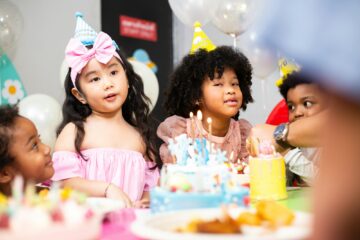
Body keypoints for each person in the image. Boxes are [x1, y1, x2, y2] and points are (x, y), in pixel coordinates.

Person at [52, 13, 161, 208]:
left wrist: (144, 202)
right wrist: (107, 188)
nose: (108, 84)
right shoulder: (75, 132)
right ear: (80, 95)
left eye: (113, 72)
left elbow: (150, 188)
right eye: (95, 79)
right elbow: (64, 182)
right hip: (90, 228)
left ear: (127, 79)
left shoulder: (141, 136)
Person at [157, 31, 254, 163]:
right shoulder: (182, 132)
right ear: (196, 95)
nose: (231, 90)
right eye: (219, 84)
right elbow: (176, 175)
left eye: (235, 84)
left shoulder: (242, 134)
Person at [278, 71, 327, 186]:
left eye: (307, 104)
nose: (297, 113)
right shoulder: (292, 139)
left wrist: (288, 154)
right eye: (291, 107)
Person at [0, 105, 54, 196]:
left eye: (39, 139)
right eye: (34, 146)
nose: (47, 149)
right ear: (4, 174)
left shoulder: (52, 197)